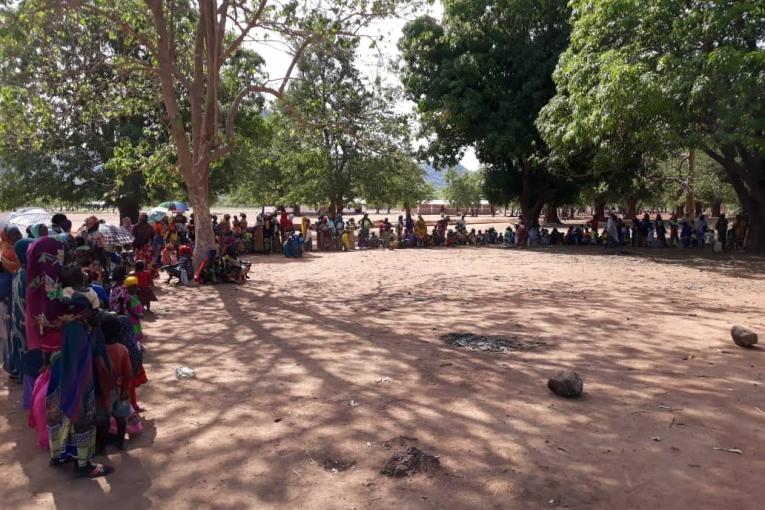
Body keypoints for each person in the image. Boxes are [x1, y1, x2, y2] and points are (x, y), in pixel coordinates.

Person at [99, 316, 133, 452]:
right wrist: (126, 390)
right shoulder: (122, 349)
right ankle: (120, 443)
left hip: (104, 391)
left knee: (103, 420)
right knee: (121, 418)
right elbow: (128, 373)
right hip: (120, 388)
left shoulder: (97, 350)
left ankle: (101, 447)